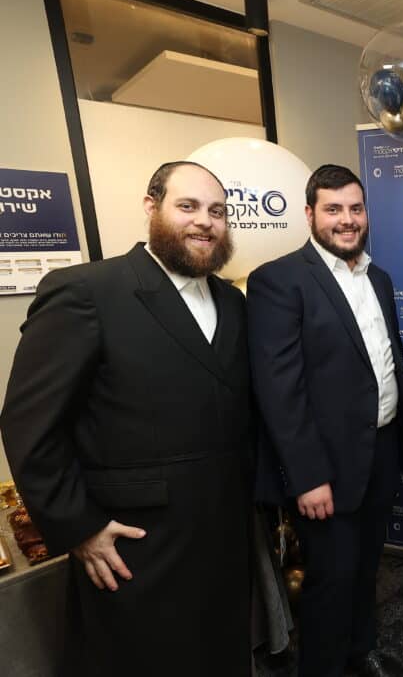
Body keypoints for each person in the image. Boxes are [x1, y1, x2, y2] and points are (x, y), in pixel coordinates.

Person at [0, 161, 252, 676]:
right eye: (187, 206)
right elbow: (29, 424)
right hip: (136, 543)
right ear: (150, 207)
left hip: (224, 532)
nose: (205, 221)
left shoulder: (231, 301)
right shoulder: (86, 291)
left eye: (217, 211)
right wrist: (79, 527)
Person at [247, 164, 403, 677]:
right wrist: (307, 476)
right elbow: (280, 390)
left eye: (355, 208)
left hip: (380, 452)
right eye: (333, 209)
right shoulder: (279, 280)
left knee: (366, 570)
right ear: (309, 214)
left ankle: (362, 653)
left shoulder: (377, 277)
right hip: (325, 470)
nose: (347, 219)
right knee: (330, 581)